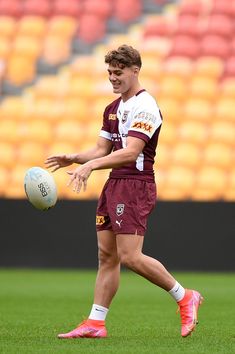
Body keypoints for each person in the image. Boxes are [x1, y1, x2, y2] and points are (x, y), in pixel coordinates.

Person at [45, 45, 203, 339]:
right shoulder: (112, 109)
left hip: (135, 184)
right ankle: (95, 323)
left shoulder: (146, 106)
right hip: (115, 184)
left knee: (130, 256)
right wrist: (76, 157)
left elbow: (131, 153)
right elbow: (102, 149)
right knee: (107, 256)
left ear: (135, 70)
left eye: (118, 73)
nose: (113, 78)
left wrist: (91, 166)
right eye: (109, 73)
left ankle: (185, 296)